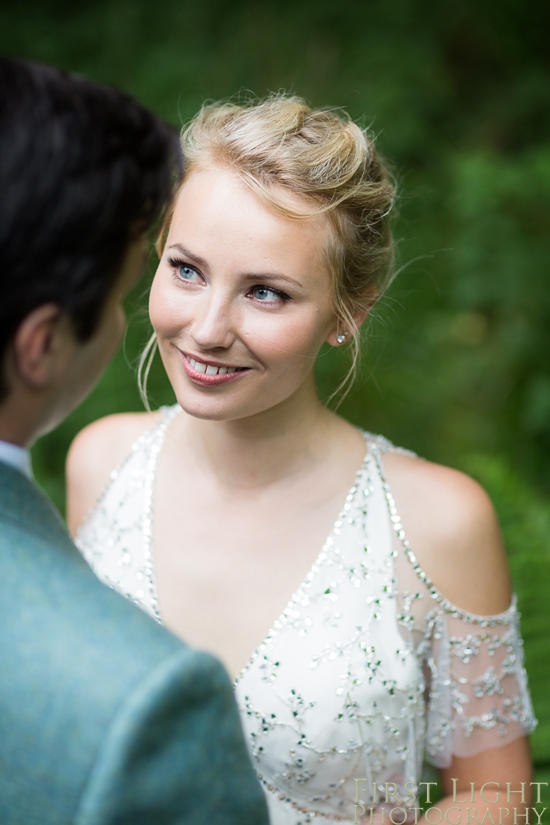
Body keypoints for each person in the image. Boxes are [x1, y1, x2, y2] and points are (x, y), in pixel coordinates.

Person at [67, 96, 537, 825]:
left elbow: (501, 794)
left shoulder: (438, 522)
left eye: (265, 292)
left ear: (349, 313)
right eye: (187, 269)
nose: (208, 328)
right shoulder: (99, 466)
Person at [0, 57, 269, 825]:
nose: (209, 330)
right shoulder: (140, 707)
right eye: (140, 284)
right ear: (41, 345)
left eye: (262, 290)